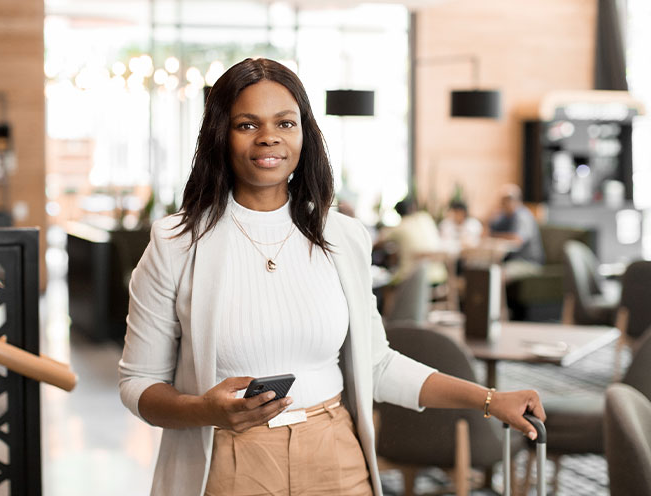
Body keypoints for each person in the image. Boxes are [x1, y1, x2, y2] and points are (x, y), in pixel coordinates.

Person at [118, 58, 545, 496]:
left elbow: (378, 365)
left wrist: (490, 399)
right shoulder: (176, 243)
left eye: (285, 123)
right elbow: (138, 383)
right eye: (247, 124)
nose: (269, 136)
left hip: (335, 454)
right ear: (219, 135)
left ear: (304, 133)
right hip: (229, 459)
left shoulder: (342, 236)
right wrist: (205, 411)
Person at [375, 196, 447, 285]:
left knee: (386, 284)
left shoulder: (399, 227)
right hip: (438, 275)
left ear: (397, 213)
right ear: (412, 208)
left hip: (412, 279)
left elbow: (377, 242)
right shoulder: (425, 218)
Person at [488, 184, 545, 281]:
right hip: (512, 260)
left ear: (515, 200)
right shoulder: (505, 216)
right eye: (502, 202)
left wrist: (496, 236)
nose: (503, 205)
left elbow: (517, 239)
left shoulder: (523, 216)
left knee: (499, 274)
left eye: (506, 201)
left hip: (529, 262)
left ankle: (499, 291)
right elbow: (491, 231)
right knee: (486, 269)